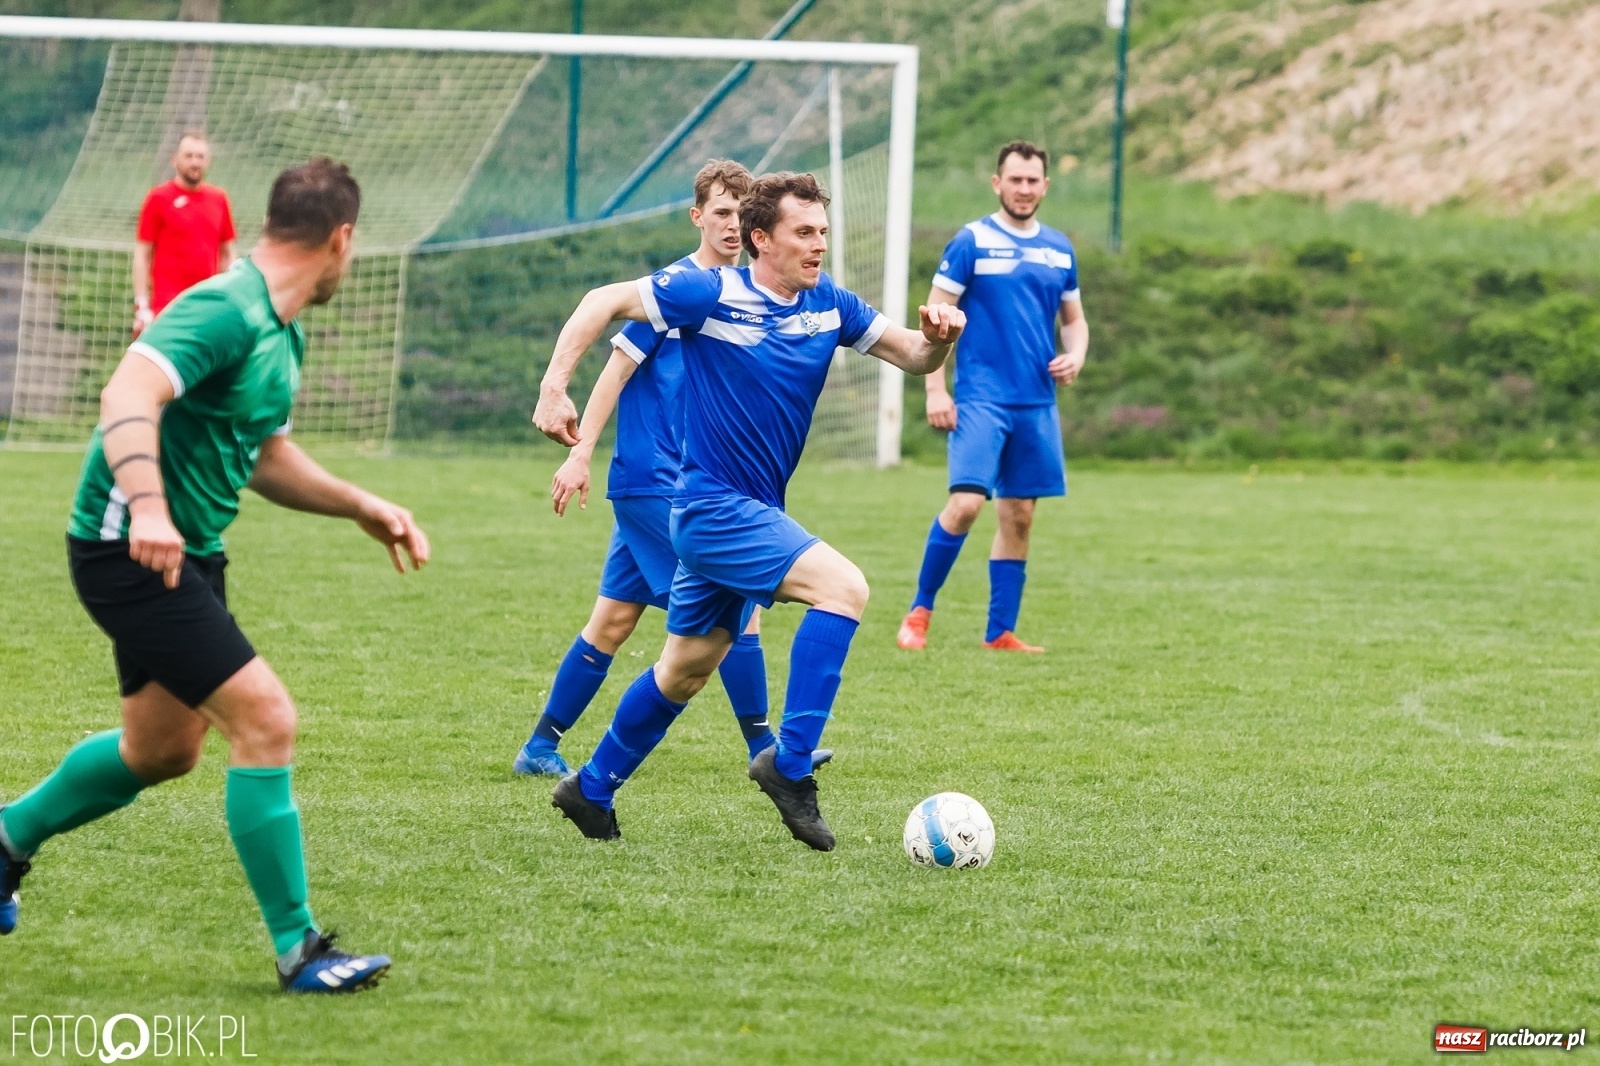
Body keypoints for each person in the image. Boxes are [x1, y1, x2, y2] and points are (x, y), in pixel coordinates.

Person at [0, 158, 428, 994]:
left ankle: (6, 842)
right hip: (131, 548)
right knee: (266, 717)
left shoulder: (283, 325)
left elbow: (263, 454)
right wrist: (150, 508)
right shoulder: (222, 309)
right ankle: (301, 950)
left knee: (161, 750)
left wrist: (358, 505)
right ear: (343, 238)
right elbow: (127, 392)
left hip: (184, 551)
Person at [534, 172, 965, 850]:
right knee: (845, 588)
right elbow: (601, 302)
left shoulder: (832, 306)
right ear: (761, 239)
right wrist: (554, 386)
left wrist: (941, 337)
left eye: (823, 231)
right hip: (713, 509)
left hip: (745, 509)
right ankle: (789, 767)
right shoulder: (711, 293)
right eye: (804, 232)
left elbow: (913, 353)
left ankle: (591, 787)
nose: (818, 244)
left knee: (685, 669)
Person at [513, 160, 829, 778]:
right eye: (721, 214)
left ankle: (540, 747)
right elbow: (617, 371)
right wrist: (580, 452)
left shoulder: (749, 297)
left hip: (670, 481)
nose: (734, 226)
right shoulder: (682, 288)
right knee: (741, 603)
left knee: (613, 619)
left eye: (743, 215)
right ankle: (763, 748)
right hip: (660, 480)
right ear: (699, 217)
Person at [896, 140, 1090, 654]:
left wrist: (1076, 355)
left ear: (1045, 186)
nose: (1024, 189)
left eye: (1033, 181)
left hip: (1036, 402)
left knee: (1020, 514)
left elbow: (1075, 322)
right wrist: (936, 389)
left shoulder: (1058, 247)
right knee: (964, 505)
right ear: (997, 183)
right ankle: (919, 611)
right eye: (1015, 179)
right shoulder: (971, 242)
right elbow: (934, 320)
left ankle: (999, 631)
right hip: (980, 398)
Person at [133, 131, 237, 336]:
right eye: (188, 156)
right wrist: (142, 306)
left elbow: (229, 253)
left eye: (200, 157)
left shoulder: (219, 199)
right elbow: (142, 254)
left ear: (208, 161)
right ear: (175, 160)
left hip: (207, 306)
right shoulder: (158, 198)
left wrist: (229, 297)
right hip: (166, 309)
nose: (194, 162)